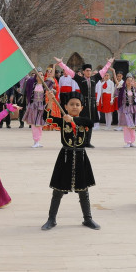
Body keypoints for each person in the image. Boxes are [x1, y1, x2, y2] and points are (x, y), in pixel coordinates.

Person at [40, 91, 100, 230]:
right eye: (71, 104)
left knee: (83, 191)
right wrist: (49, 101)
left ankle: (88, 219)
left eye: (77, 105)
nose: (74, 107)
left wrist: (72, 120)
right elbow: (47, 118)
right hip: (65, 157)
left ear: (81, 108)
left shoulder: (84, 121)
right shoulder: (62, 122)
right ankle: (51, 219)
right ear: (65, 106)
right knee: (57, 191)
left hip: (81, 158)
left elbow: (89, 123)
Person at [57, 57, 112, 145]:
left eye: (90, 70)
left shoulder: (95, 78)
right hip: (84, 104)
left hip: (92, 105)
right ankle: (80, 141)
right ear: (83, 71)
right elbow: (70, 71)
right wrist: (61, 63)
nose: (89, 72)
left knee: (90, 123)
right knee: (82, 123)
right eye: (87, 70)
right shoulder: (80, 79)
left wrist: (109, 63)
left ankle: (88, 142)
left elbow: (103, 70)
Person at [23, 67, 56, 148]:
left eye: (42, 74)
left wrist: (54, 66)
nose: (41, 76)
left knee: (40, 124)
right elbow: (27, 86)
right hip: (33, 106)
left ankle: (38, 140)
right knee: (34, 124)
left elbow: (52, 79)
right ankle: (35, 141)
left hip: (41, 106)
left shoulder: (45, 85)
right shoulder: (32, 84)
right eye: (39, 75)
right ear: (36, 76)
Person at [117, 75, 136, 148]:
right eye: (128, 80)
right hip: (125, 108)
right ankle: (128, 141)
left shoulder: (134, 89)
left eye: (131, 80)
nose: (129, 82)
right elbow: (116, 93)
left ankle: (132, 141)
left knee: (132, 126)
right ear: (125, 81)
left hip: (133, 108)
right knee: (126, 126)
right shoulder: (122, 89)